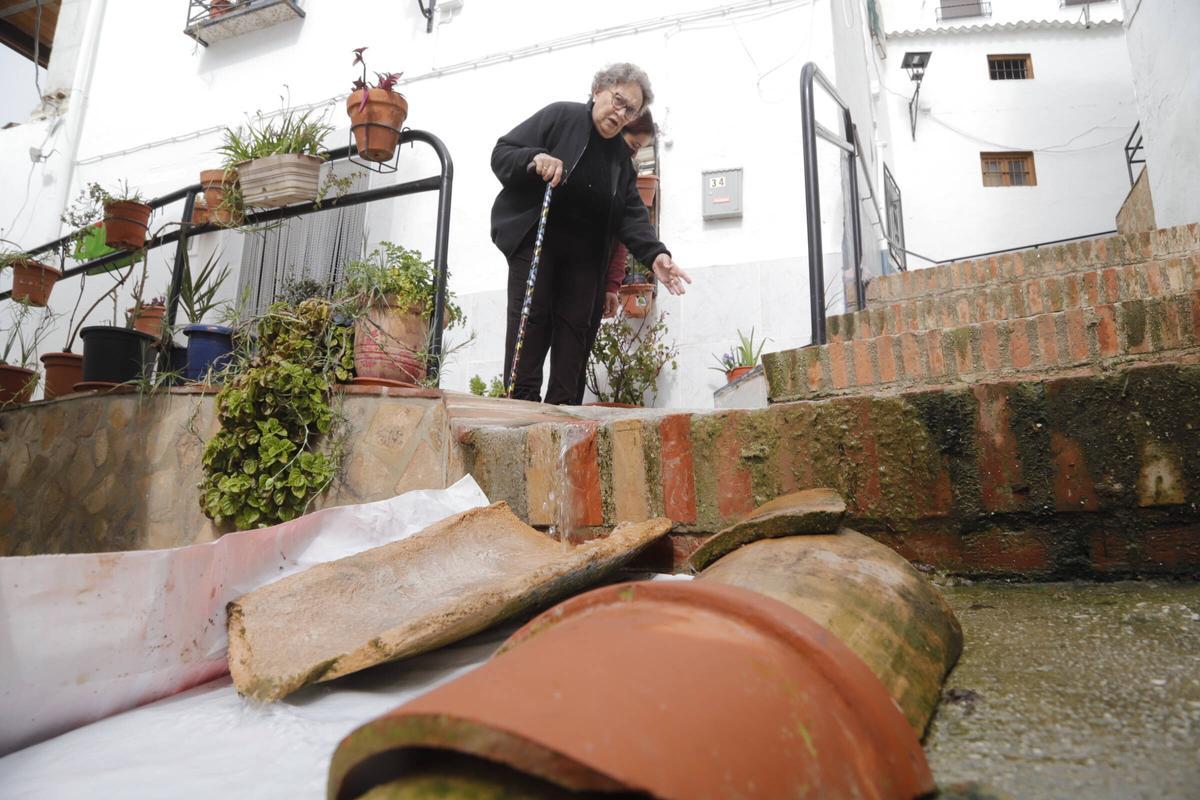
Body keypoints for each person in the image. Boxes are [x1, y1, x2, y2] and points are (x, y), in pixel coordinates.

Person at [490, 63, 691, 405]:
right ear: (598, 90)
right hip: (538, 240)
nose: (621, 113)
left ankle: (563, 414)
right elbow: (502, 153)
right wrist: (535, 158)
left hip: (585, 258)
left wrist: (656, 254)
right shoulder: (561, 116)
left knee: (575, 334)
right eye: (618, 100)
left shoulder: (621, 162)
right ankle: (521, 407)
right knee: (532, 320)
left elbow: (632, 215)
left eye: (630, 110)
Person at [603, 109, 656, 319]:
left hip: (594, 283)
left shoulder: (624, 176)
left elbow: (620, 239)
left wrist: (612, 285)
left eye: (639, 149)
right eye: (634, 145)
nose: (634, 154)